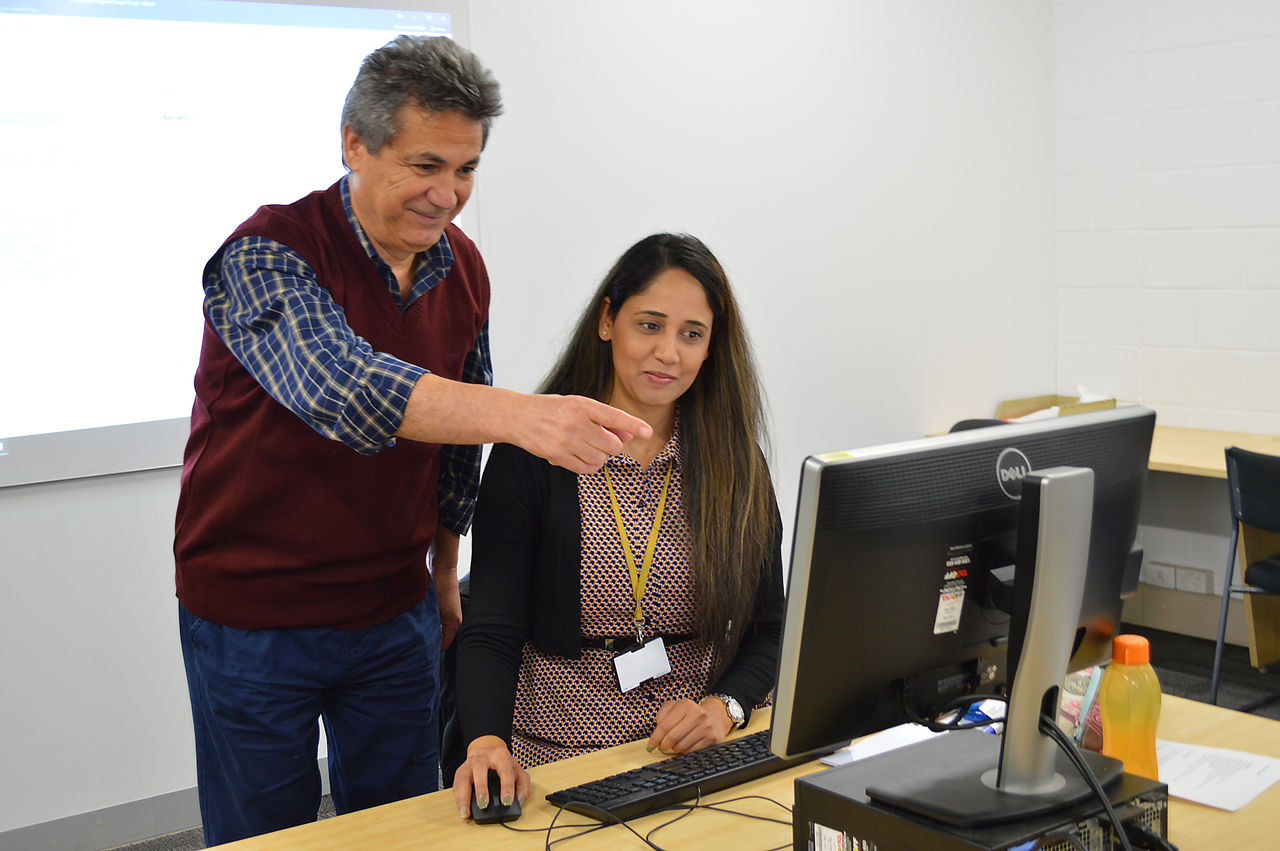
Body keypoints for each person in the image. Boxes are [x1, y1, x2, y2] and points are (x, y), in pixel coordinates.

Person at [172, 36, 648, 846]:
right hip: (254, 616)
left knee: (402, 827)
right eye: (426, 164)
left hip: (393, 612)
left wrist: (443, 571)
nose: (448, 194)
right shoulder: (264, 256)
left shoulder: (461, 266)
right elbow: (342, 389)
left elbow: (454, 456)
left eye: (466, 170)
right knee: (265, 835)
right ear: (354, 143)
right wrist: (526, 416)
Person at [451, 233, 784, 818]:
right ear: (608, 320)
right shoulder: (534, 453)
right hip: (560, 751)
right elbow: (492, 626)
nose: (668, 354)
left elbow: (771, 629)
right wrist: (484, 741)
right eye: (649, 325)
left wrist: (724, 707)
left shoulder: (733, 463)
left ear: (711, 348)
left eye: (691, 334)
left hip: (696, 749)